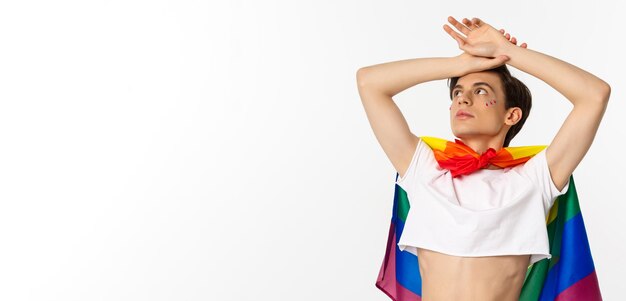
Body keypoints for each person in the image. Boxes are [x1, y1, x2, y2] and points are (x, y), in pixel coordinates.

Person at [356, 16, 610, 300]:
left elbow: (594, 95)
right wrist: (459, 64)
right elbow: (369, 82)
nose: (463, 100)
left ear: (511, 115)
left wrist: (509, 52)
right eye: (457, 92)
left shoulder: (535, 180)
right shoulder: (424, 171)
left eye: (480, 91)